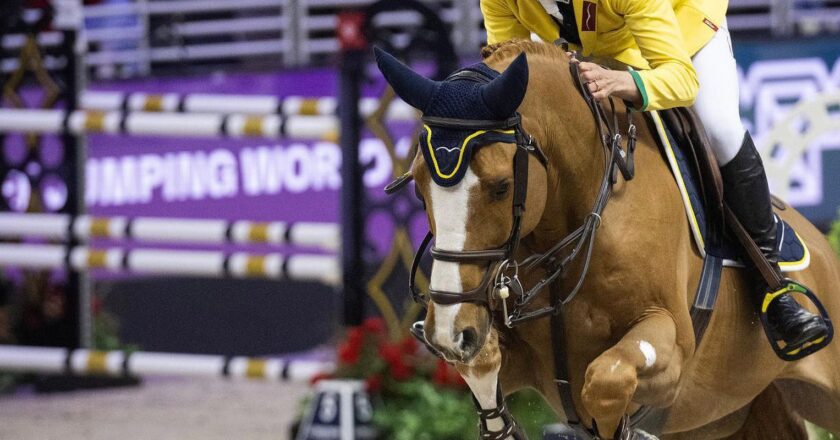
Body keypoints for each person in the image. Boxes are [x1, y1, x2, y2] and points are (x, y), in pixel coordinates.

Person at [480, 0, 829, 353]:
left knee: (720, 129)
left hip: (681, 30)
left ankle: (775, 288)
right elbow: (506, 74)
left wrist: (627, 80)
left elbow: (682, 81)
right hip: (596, 45)